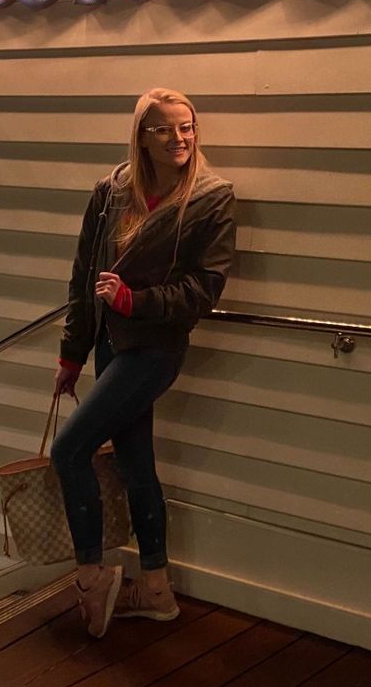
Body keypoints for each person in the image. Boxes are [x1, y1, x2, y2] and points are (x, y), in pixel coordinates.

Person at [50, 87, 237, 638]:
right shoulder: (111, 190)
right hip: (110, 345)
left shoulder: (211, 197)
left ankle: (91, 576)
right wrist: (72, 352)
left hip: (155, 348)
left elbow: (206, 288)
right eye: (164, 129)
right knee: (136, 466)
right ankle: (156, 589)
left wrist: (136, 301)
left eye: (187, 126)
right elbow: (84, 276)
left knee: (69, 450)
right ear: (142, 136)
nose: (179, 138)